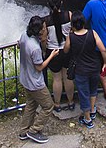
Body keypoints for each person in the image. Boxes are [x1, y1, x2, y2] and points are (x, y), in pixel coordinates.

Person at [64, 10, 106, 129]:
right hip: (94, 67)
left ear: (72, 24)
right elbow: (103, 49)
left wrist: (70, 35)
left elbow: (65, 50)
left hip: (80, 70)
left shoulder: (71, 37)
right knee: (93, 89)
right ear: (84, 22)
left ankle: (87, 119)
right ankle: (92, 111)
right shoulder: (92, 33)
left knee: (84, 94)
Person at [19, 15, 59, 143]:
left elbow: (19, 45)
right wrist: (52, 55)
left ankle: (23, 131)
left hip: (25, 78)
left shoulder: (25, 35)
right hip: (35, 82)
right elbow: (39, 67)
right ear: (40, 30)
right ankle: (34, 130)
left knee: (31, 105)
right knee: (48, 106)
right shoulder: (35, 48)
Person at [44, 0, 75, 112]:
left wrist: (43, 50)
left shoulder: (46, 21)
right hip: (67, 50)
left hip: (53, 52)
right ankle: (71, 102)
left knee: (56, 79)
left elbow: (44, 38)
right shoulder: (69, 15)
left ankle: (57, 104)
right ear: (61, 3)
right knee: (68, 78)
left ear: (48, 4)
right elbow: (73, 30)